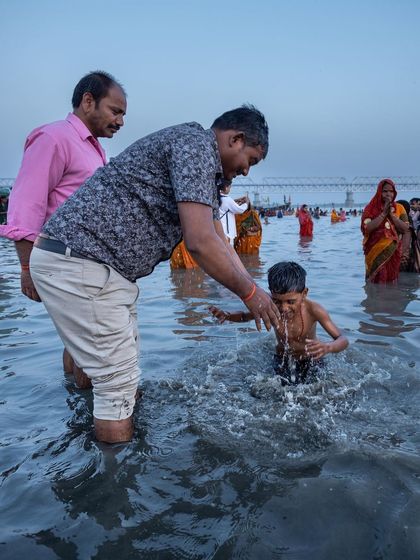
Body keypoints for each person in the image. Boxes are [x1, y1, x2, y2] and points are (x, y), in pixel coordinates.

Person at [29, 104, 282, 444]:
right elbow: (200, 242)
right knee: (117, 387)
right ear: (235, 139)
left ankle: (87, 436)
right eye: (250, 160)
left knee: (117, 377)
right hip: (82, 263)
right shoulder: (195, 145)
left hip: (98, 268)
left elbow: (219, 239)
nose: (247, 172)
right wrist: (250, 294)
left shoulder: (204, 168)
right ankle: (110, 484)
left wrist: (253, 289)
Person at [0, 70, 127, 385]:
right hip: (69, 261)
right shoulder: (54, 137)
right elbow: (25, 204)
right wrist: (27, 267)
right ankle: (92, 417)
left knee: (78, 343)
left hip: (88, 263)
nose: (120, 121)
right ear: (88, 101)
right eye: (115, 111)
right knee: (94, 349)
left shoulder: (93, 147)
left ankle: (77, 409)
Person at [210, 261, 349, 384]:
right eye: (277, 301)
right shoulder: (269, 305)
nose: (283, 308)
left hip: (310, 360)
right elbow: (244, 317)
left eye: (291, 302)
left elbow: (342, 339)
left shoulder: (314, 310)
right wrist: (227, 316)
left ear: (304, 293)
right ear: (271, 293)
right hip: (282, 359)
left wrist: (328, 347)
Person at [361, 179, 409, 283]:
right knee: (374, 283)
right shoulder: (370, 208)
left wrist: (392, 215)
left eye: (391, 191)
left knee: (392, 282)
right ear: (379, 192)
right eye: (385, 191)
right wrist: (383, 214)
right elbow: (366, 228)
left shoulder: (400, 208)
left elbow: (405, 228)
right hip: (374, 252)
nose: (388, 194)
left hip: (393, 252)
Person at [397, 199, 420, 273]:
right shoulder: (401, 224)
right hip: (402, 259)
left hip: (402, 260)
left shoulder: (407, 227)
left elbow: (404, 247)